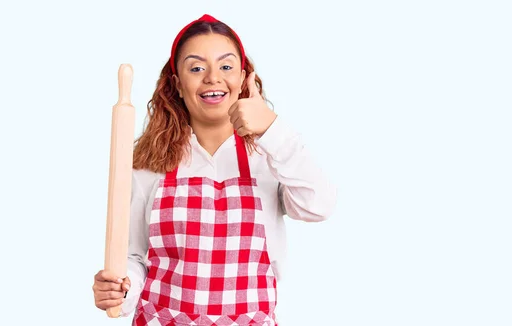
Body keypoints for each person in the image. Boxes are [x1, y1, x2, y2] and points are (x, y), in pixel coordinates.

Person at [92, 14, 336, 326]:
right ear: (178, 85)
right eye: (196, 68)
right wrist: (119, 290)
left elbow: (319, 205)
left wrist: (272, 129)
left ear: (244, 78)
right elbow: (137, 257)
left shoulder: (269, 155)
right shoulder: (150, 164)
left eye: (226, 66)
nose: (212, 77)